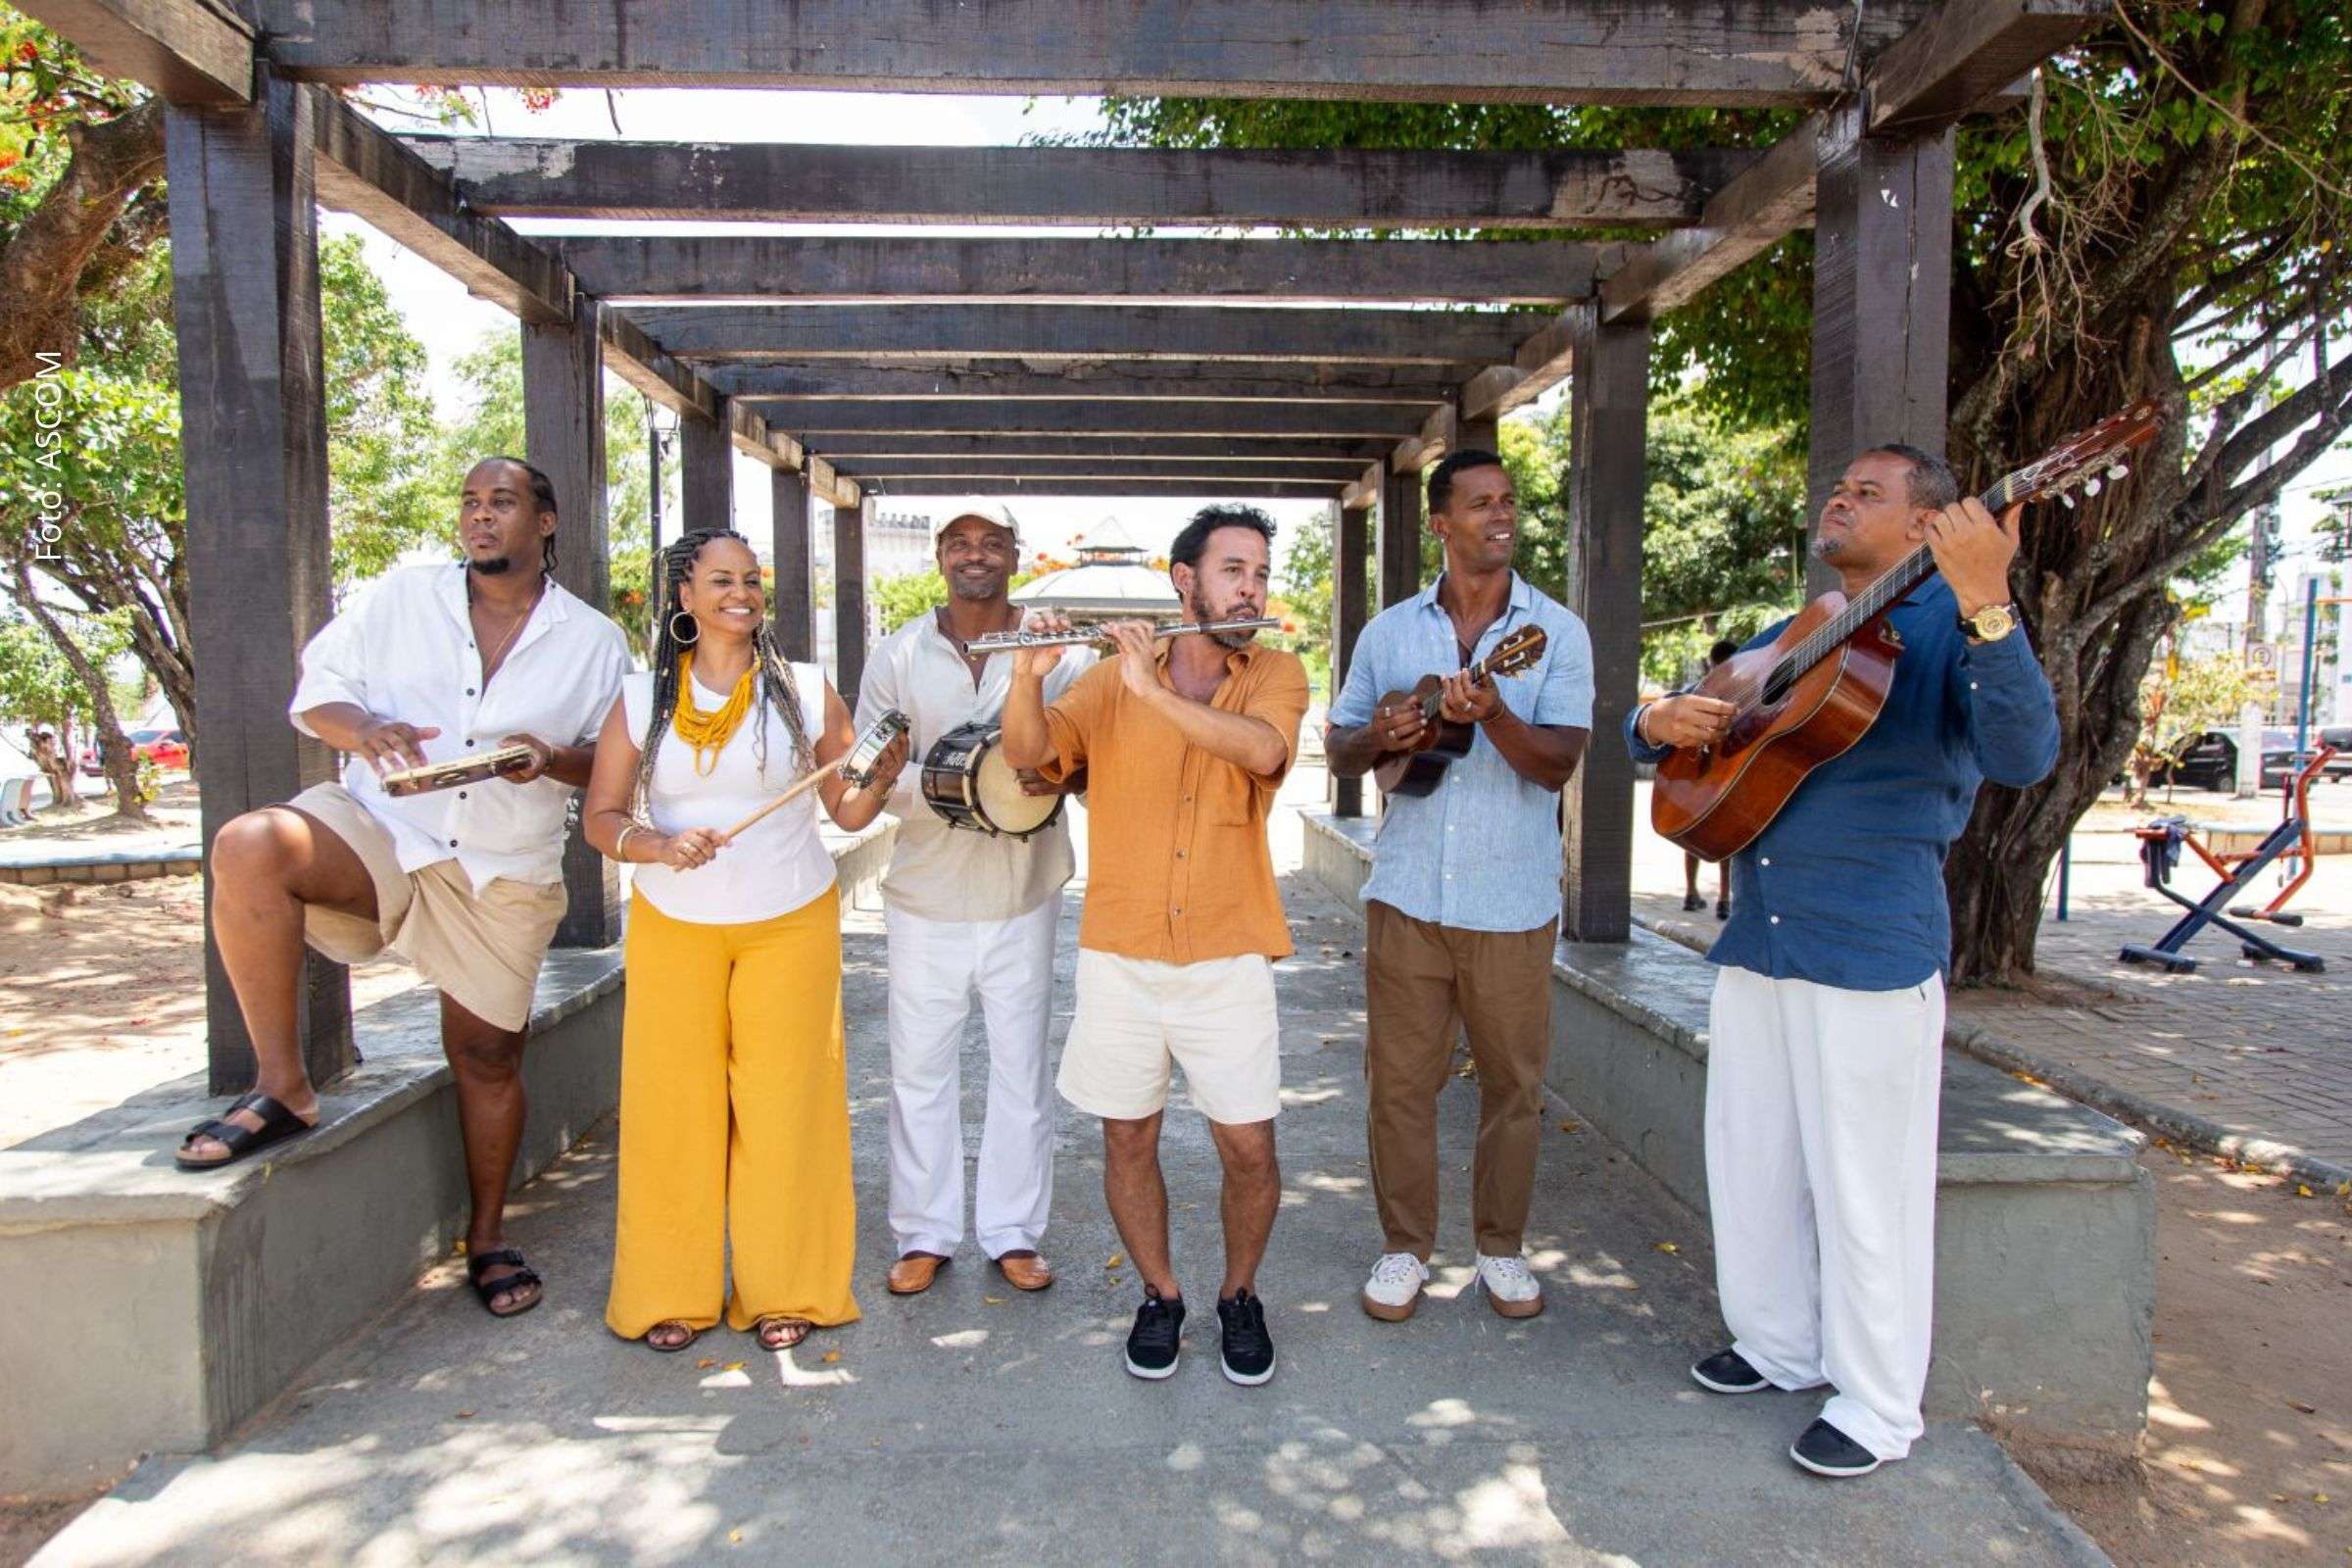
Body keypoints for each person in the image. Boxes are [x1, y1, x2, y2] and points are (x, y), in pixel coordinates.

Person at [1627, 445, 2058, 1478]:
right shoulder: (1813, 622)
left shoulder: (1955, 621)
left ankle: (1876, 1405)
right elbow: (1693, 718)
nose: (1841, 498)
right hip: (1762, 938)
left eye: (1870, 492)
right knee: (1753, 1163)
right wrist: (1656, 719)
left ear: (1926, 524)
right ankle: (1778, 1344)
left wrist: (1989, 601)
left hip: (1868, 945)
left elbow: (2025, 754)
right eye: (1840, 486)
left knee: (1869, 1189)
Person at [175, 458, 631, 1321]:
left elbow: (613, 764)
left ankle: (487, 1238)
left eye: (502, 502)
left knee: (487, 1056)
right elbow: (320, 695)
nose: (480, 517)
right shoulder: (400, 597)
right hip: (385, 828)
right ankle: (283, 1084)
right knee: (250, 845)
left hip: (502, 866)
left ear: (544, 522)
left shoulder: (594, 640)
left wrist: (546, 757)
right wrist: (367, 728)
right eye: (470, 503)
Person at [1000, 505, 1308, 1388]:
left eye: (1259, 574)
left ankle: (1239, 1296)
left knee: (1249, 1147)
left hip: (1228, 949)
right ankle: (1161, 1294)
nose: (1250, 590)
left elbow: (1261, 750)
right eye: (1233, 571)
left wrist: (1152, 693)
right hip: (1123, 949)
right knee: (1128, 1137)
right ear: (1185, 581)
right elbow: (1029, 757)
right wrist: (1026, 675)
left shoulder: (1275, 672)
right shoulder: (1105, 682)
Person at [583, 526, 906, 1356]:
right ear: (684, 596)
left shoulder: (803, 688)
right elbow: (601, 817)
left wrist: (883, 772)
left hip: (789, 919)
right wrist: (655, 846)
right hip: (673, 924)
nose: (742, 593)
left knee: (786, 1106)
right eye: (722, 580)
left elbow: (847, 810)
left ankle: (785, 1288)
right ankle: (668, 1291)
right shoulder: (638, 697)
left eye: (752, 579)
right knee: (672, 1109)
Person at [1323, 450, 1593, 1324]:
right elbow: (1342, 749)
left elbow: (1557, 764)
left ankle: (1500, 1250)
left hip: (1511, 901)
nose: (1500, 515)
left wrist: (1497, 714)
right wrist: (1385, 732)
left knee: (1513, 1087)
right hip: (1407, 895)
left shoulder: (1554, 633)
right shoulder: (1389, 633)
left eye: (1508, 501)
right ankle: (1405, 1248)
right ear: (1441, 523)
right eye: (1480, 503)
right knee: (1399, 1084)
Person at [855, 503, 1092, 1298]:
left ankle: (1013, 1233)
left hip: (1026, 888)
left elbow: (1080, 762)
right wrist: (955, 787)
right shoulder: (898, 652)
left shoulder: (1059, 652)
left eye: (992, 542)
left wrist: (1036, 777)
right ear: (939, 557)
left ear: (1016, 556)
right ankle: (924, 1233)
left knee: (1021, 1069)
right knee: (918, 1071)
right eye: (959, 542)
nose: (975, 554)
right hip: (925, 891)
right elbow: (870, 769)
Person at [1682, 639, 1740, 919]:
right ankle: (1724, 898)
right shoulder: (1741, 692)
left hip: (1698, 776)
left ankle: (1691, 892)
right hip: (1724, 776)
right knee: (1724, 839)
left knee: (1692, 837)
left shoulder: (1696, 692)